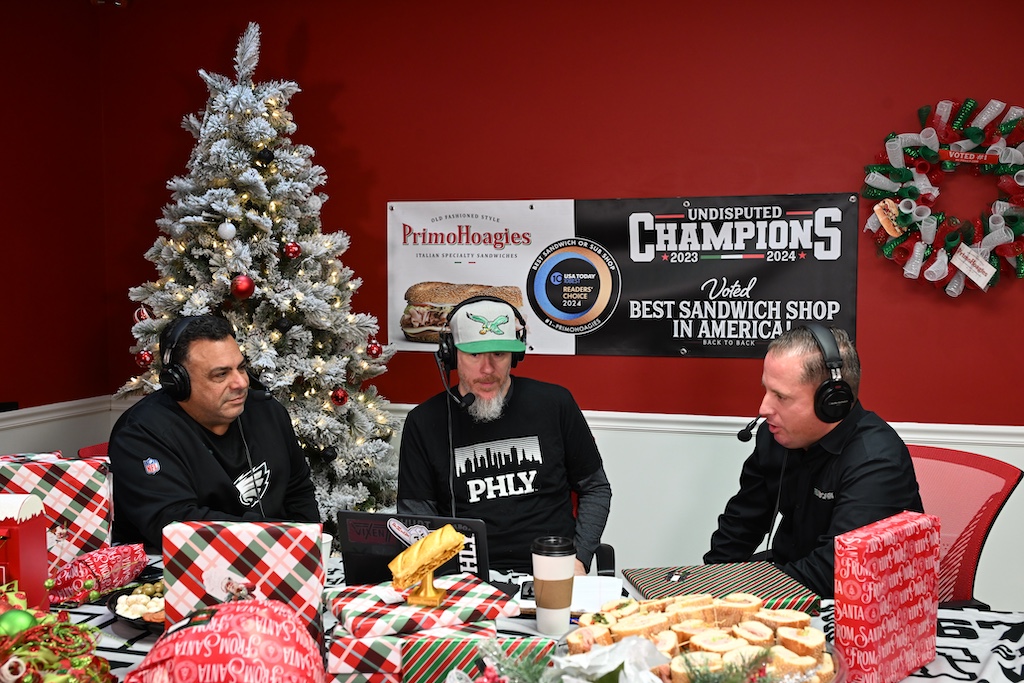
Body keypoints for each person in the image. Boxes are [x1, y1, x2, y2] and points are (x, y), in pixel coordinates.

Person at [397, 295, 612, 575]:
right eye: (474, 355)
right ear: (451, 354)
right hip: (464, 577)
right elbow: (416, 514)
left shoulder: (555, 404)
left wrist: (579, 558)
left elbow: (595, 488)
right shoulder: (423, 422)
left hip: (550, 568)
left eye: (499, 354)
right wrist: (442, 573)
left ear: (515, 355)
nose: (487, 369)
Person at [704, 324, 922, 597]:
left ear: (832, 402)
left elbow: (834, 573)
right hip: (793, 577)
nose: (764, 408)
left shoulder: (876, 461)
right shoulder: (777, 437)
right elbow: (741, 526)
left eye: (781, 396)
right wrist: (706, 590)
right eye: (766, 390)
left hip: (857, 600)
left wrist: (736, 595)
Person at [109, 315, 321, 549]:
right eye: (221, 374)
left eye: (241, 368)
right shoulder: (140, 434)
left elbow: (298, 491)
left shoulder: (268, 412)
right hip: (180, 565)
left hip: (280, 557)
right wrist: (282, 540)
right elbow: (176, 525)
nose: (241, 383)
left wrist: (307, 549)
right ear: (178, 382)